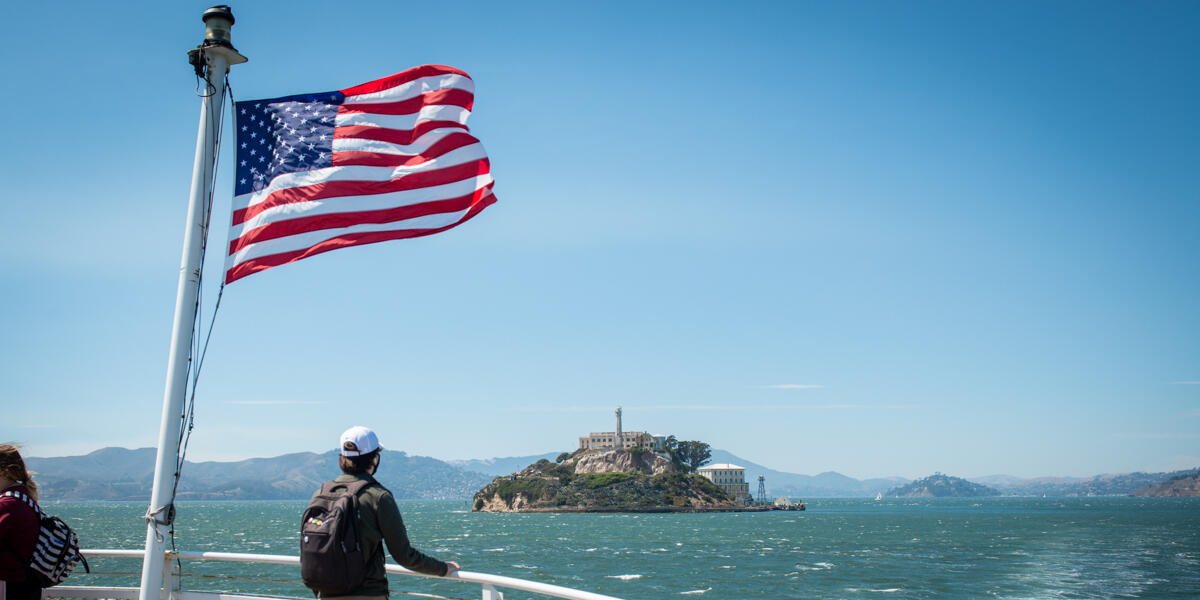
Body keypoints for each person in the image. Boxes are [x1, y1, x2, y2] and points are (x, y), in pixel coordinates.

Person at [313, 426, 459, 599]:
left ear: (342, 458)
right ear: (374, 458)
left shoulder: (320, 494)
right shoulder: (378, 497)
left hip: (326, 594)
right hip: (366, 594)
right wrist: (443, 568)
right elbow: (404, 555)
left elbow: (313, 551)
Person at [0, 444, 40, 600]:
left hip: (8, 587)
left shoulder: (7, 505)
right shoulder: (24, 498)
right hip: (26, 587)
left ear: (3, 470)